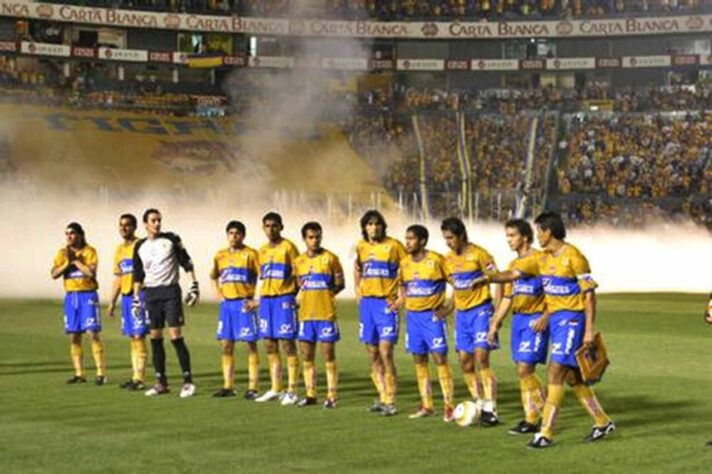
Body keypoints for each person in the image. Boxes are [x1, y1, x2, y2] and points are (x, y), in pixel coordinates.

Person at [483, 212, 615, 448]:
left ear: (548, 231)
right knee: (573, 377)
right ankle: (602, 422)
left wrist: (589, 330)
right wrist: (488, 279)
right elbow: (512, 274)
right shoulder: (541, 259)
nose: (537, 236)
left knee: (554, 371)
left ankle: (545, 433)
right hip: (556, 320)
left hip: (572, 320)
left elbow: (589, 295)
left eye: (539, 231)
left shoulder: (574, 257)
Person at [486, 219, 548, 435]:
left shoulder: (541, 260)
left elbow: (555, 292)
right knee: (522, 371)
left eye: (512, 235)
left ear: (526, 237)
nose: (509, 240)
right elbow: (508, 298)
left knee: (525, 368)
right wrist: (495, 323)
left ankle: (544, 414)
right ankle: (531, 419)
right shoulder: (514, 265)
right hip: (519, 320)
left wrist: (547, 316)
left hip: (535, 319)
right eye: (507, 236)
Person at [440, 217, 501, 426]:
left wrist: (497, 312)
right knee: (465, 361)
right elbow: (456, 287)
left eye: (450, 238)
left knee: (482, 357)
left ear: (461, 235)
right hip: (462, 315)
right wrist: (448, 307)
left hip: (481, 311)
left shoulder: (479, 254)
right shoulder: (447, 260)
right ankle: (479, 402)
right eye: (445, 238)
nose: (448, 242)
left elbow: (497, 277)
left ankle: (490, 409)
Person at [132, 209, 199, 398]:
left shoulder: (170, 239)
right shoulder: (140, 246)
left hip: (170, 292)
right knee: (155, 337)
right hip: (151, 294)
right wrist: (136, 299)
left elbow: (186, 261)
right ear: (145, 224)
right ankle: (161, 382)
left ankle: (188, 381)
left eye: (159, 220)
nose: (157, 223)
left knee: (176, 336)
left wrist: (194, 285)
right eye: (153, 220)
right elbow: (138, 275)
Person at [393, 224, 455, 422]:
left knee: (439, 359)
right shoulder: (404, 263)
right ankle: (427, 405)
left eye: (411, 239)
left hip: (432, 318)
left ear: (422, 241)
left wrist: (448, 307)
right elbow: (403, 285)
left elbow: (457, 284)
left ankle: (449, 406)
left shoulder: (437, 260)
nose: (407, 242)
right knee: (419, 360)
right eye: (406, 238)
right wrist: (402, 300)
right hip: (413, 318)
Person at [354, 210, 406, 416]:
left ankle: (391, 399)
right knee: (373, 353)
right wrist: (358, 290)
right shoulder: (361, 246)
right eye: (370, 224)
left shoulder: (394, 246)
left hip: (386, 304)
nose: (374, 228)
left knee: (386, 351)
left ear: (383, 226)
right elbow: (357, 268)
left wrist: (403, 297)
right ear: (364, 227)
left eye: (377, 224)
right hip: (368, 305)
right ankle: (382, 395)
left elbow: (408, 269)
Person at [294, 222, 345, 408]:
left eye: (317, 237)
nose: (314, 241)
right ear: (304, 239)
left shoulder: (331, 258)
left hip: (326, 315)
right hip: (306, 315)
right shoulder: (298, 262)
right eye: (310, 237)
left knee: (328, 355)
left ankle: (332, 396)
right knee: (307, 355)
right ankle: (310, 394)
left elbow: (340, 283)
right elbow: (298, 285)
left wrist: (326, 295)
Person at [210, 220, 261, 399]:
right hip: (227, 306)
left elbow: (265, 276)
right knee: (226, 345)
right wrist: (217, 293)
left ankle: (253, 387)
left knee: (249, 344)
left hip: (244, 304)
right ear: (227, 235)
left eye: (237, 233)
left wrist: (258, 300)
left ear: (243, 235)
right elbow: (214, 276)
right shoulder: (220, 256)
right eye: (231, 233)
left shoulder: (251, 254)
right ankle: (228, 386)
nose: (234, 236)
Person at [51, 222, 106, 385]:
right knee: (74, 336)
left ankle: (101, 373)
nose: (69, 236)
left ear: (80, 234)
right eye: (67, 233)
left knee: (92, 333)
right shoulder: (62, 253)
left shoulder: (90, 251)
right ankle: (79, 373)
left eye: (72, 233)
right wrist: (67, 263)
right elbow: (53, 274)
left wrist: (76, 262)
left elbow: (90, 273)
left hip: (87, 295)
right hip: (71, 296)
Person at [254, 212, 301, 405]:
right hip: (267, 301)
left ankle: (292, 389)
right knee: (269, 343)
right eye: (267, 226)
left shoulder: (288, 247)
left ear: (281, 227)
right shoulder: (262, 251)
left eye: (274, 225)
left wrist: (295, 295)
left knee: (288, 343)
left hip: (284, 299)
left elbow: (299, 272)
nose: (271, 229)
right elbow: (262, 277)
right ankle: (275, 387)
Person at [107, 214, 148, 391]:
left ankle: (140, 378)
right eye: (121, 225)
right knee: (133, 336)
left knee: (139, 335)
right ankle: (135, 376)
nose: (124, 228)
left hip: (140, 295)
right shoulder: (119, 250)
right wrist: (111, 302)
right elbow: (118, 277)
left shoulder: (142, 245)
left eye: (128, 225)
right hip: (125, 296)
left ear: (135, 227)